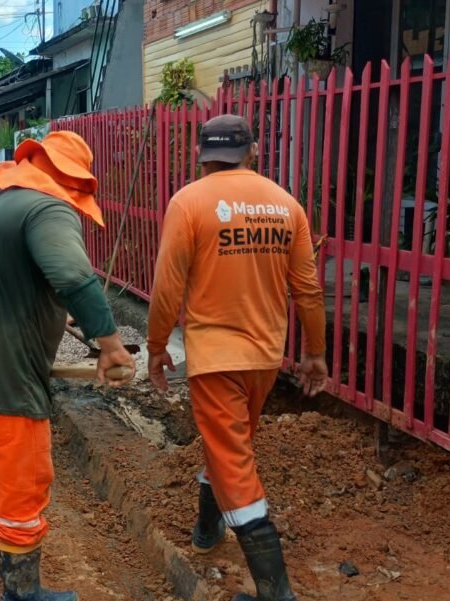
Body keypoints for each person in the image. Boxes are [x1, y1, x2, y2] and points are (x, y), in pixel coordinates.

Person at [0, 131, 136, 601]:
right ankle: (23, 594)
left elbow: (17, 282)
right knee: (23, 484)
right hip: (2, 381)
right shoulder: (46, 207)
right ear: (69, 178)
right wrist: (111, 344)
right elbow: (73, 276)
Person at [146, 115, 327, 601]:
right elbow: (308, 291)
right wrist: (314, 353)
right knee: (229, 444)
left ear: (201, 155)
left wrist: (158, 344)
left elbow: (167, 287)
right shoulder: (287, 206)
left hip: (214, 358)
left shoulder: (189, 202)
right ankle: (207, 531)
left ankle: (275, 592)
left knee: (233, 459)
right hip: (264, 357)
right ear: (253, 151)